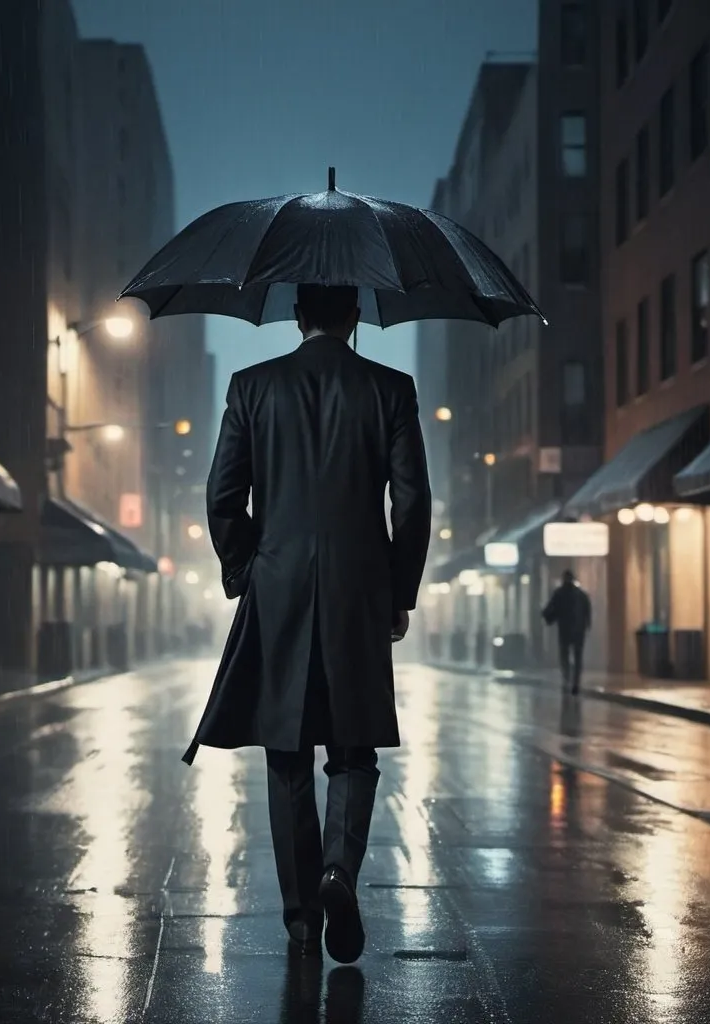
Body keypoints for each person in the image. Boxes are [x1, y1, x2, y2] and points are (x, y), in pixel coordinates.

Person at [183, 284, 432, 965]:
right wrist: (398, 591)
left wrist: (247, 569)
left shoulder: (252, 386)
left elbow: (223, 495)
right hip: (359, 588)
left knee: (286, 751)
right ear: (355, 316)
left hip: (281, 585)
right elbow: (411, 502)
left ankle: (301, 922)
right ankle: (338, 874)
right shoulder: (391, 388)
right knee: (353, 748)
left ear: (297, 316)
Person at [542, 569, 592, 695]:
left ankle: (567, 679)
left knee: (565, 655)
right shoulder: (581, 594)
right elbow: (587, 612)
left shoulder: (559, 593)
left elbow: (550, 609)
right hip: (578, 630)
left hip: (565, 629)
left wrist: (547, 616)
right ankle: (575, 682)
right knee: (577, 656)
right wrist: (587, 625)